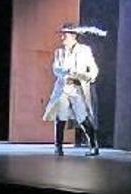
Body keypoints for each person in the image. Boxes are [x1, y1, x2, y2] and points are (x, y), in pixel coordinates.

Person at [42, 23, 105, 156]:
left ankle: (94, 146)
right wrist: (68, 72)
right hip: (64, 88)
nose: (62, 37)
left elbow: (93, 68)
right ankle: (58, 147)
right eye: (63, 34)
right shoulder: (59, 52)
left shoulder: (84, 50)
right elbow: (56, 69)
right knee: (61, 116)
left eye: (65, 34)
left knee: (83, 117)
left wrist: (89, 77)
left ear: (73, 36)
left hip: (77, 89)